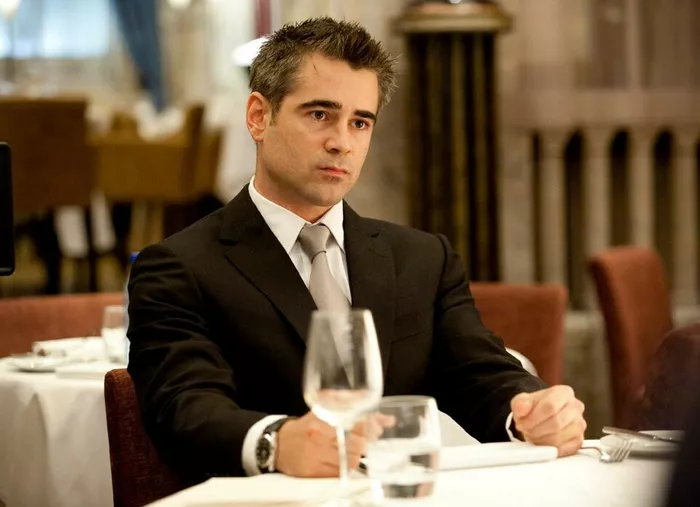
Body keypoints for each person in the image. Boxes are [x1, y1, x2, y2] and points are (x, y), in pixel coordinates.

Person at [127, 17, 586, 482]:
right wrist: (278, 443)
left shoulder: (423, 259)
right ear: (259, 116)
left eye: (360, 122)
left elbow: (480, 373)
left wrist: (531, 411)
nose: (341, 143)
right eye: (319, 115)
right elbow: (183, 407)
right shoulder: (179, 267)